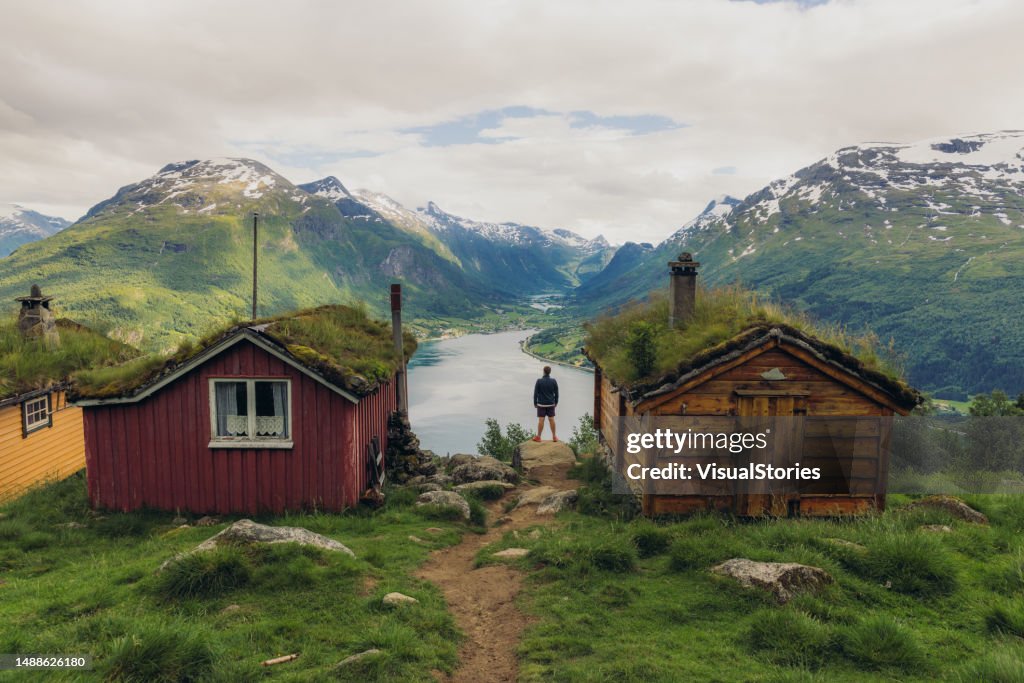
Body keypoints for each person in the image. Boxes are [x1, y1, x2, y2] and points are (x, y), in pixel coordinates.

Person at [533, 365, 559, 442]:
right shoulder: (553, 381)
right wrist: (556, 402)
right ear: (549, 372)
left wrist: (535, 403)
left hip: (541, 404)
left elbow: (535, 393)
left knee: (541, 420)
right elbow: (557, 393)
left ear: (543, 371)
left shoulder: (539, 381)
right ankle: (554, 437)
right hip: (551, 403)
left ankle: (538, 437)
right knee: (551, 419)